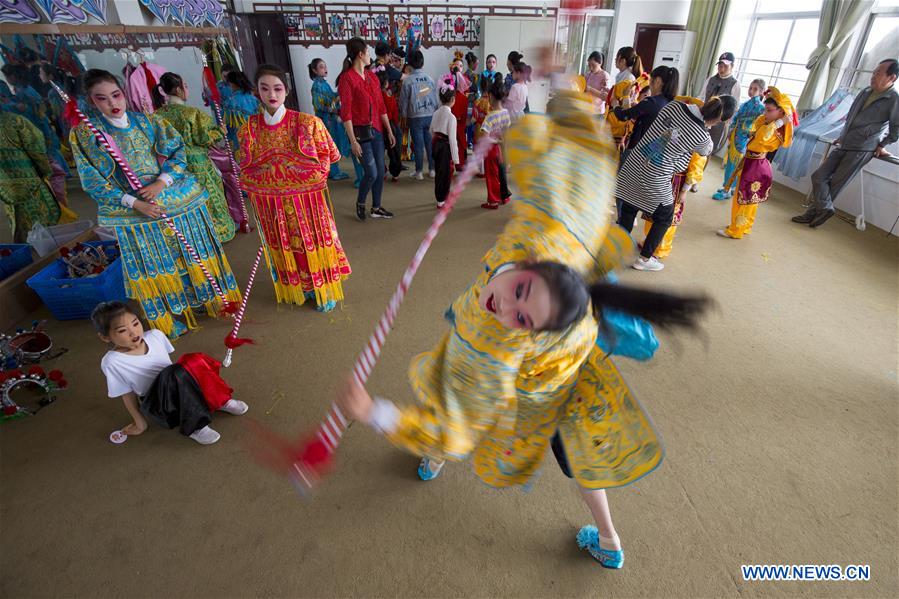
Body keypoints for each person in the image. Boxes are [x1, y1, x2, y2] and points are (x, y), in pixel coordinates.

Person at [333, 90, 712, 570]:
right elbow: (570, 181)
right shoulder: (542, 236)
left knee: (487, 401)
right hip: (555, 345)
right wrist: (516, 123)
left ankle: (607, 537)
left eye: (522, 316)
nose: (503, 304)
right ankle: (610, 539)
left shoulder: (496, 345)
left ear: (532, 331)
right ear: (537, 264)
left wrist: (375, 411)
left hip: (545, 383)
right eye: (520, 291)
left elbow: (459, 429)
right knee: (487, 390)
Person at [70, 69, 241, 338]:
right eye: (102, 99)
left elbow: (177, 151)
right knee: (154, 262)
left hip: (174, 197)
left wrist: (162, 182)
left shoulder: (148, 121)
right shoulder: (86, 134)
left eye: (116, 95)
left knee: (193, 252)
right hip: (133, 209)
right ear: (92, 102)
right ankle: (168, 319)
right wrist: (133, 203)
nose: (113, 104)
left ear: (124, 94)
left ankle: (208, 300)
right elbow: (92, 180)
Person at [239, 64, 351, 312]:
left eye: (277, 88)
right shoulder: (250, 128)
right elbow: (246, 168)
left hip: (306, 202)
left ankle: (322, 289)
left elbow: (330, 155)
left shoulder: (307, 123)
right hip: (273, 204)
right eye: (265, 88)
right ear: (257, 92)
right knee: (284, 242)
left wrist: (308, 178)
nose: (272, 94)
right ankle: (299, 287)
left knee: (312, 240)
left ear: (286, 91)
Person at [93, 301, 248, 445]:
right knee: (175, 372)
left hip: (177, 384)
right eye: (122, 331)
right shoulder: (112, 361)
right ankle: (194, 426)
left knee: (193, 360)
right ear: (105, 337)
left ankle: (220, 401)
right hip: (159, 403)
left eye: (135, 323)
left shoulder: (155, 335)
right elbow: (126, 394)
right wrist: (140, 422)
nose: (134, 333)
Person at [616, 95, 737, 271]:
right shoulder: (703, 138)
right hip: (656, 175)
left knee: (629, 206)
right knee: (665, 216)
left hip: (634, 165)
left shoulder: (674, 106)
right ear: (721, 120)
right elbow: (706, 150)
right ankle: (644, 260)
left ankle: (617, 247)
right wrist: (706, 126)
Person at [792, 58, 899, 228]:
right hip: (845, 142)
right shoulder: (865, 91)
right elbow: (851, 117)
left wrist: (882, 145)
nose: (873, 76)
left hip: (863, 148)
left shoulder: (894, 99)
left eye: (878, 73)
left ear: (891, 77)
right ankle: (825, 208)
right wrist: (842, 135)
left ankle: (812, 215)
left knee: (835, 184)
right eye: (874, 72)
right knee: (819, 176)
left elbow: (896, 128)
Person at [154, 72, 236, 243]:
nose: (187, 88)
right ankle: (219, 232)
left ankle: (195, 235)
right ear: (178, 89)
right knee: (211, 196)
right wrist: (220, 131)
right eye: (185, 85)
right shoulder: (191, 114)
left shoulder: (156, 115)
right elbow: (204, 138)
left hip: (171, 166)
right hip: (196, 161)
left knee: (184, 199)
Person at [718, 87, 795, 239]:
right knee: (750, 199)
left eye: (769, 110)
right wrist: (774, 121)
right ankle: (743, 225)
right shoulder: (769, 124)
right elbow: (757, 124)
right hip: (755, 163)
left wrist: (777, 123)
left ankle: (736, 230)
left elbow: (759, 139)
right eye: (765, 110)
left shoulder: (775, 130)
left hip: (755, 166)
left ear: (780, 112)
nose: (764, 113)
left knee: (744, 199)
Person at [339, 38, 396, 221]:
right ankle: (361, 201)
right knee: (371, 172)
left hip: (377, 131)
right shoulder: (347, 79)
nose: (370, 55)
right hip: (359, 134)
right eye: (368, 52)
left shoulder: (372, 77)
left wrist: (389, 130)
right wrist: (353, 141)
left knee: (380, 171)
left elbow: (381, 107)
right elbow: (345, 113)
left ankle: (376, 207)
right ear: (360, 55)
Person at [2, 63, 69, 206]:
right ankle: (62, 178)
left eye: (7, 76)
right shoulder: (25, 90)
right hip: (41, 127)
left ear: (13, 76)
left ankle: (60, 181)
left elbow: (30, 112)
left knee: (49, 157)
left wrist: (12, 105)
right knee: (51, 155)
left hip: (37, 128)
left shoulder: (24, 93)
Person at [0, 109, 65, 241]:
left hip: (6, 189)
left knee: (18, 223)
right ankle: (48, 255)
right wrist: (45, 170)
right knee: (42, 223)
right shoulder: (15, 121)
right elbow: (36, 149)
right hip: (31, 182)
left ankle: (31, 254)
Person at [713, 78, 766, 200]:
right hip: (736, 136)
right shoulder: (745, 104)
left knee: (734, 165)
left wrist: (749, 134)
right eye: (750, 88)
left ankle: (727, 189)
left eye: (755, 89)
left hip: (744, 140)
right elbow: (736, 118)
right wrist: (731, 130)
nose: (751, 91)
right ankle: (729, 187)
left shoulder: (761, 108)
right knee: (731, 165)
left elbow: (760, 126)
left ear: (761, 92)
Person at [612, 66, 678, 160]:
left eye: (651, 80)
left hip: (638, 152)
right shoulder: (671, 104)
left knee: (624, 174)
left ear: (658, 81)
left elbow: (623, 115)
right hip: (655, 153)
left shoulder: (651, 102)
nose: (649, 85)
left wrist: (615, 104)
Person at [309, 58, 351, 181]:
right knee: (329, 145)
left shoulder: (324, 84)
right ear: (314, 70)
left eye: (325, 66)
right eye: (321, 67)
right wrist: (333, 108)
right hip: (325, 120)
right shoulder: (316, 86)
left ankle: (334, 170)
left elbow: (331, 97)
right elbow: (318, 105)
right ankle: (333, 172)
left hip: (330, 119)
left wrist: (339, 94)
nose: (325, 69)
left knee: (331, 145)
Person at [399, 49, 439, 181]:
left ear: (409, 65)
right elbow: (434, 99)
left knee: (418, 145)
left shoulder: (407, 81)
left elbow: (403, 102)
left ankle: (419, 171)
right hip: (430, 115)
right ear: (423, 64)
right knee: (430, 143)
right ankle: (433, 169)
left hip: (415, 116)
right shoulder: (430, 79)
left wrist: (403, 116)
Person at [480, 79, 512, 210]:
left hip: (492, 150)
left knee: (492, 175)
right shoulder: (506, 113)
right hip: (503, 148)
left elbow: (484, 137)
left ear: (491, 97)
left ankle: (493, 201)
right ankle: (505, 197)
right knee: (501, 173)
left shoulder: (489, 117)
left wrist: (495, 140)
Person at [701, 52, 741, 155]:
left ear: (732, 66)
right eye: (720, 65)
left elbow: (735, 107)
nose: (721, 69)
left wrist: (728, 122)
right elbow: (701, 96)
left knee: (710, 147)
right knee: (697, 141)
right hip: (703, 115)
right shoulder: (711, 79)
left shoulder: (735, 84)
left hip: (719, 121)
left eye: (725, 66)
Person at [430, 74, 460, 209]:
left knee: (439, 172)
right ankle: (442, 199)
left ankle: (439, 198)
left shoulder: (436, 113)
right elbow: (453, 140)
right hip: (445, 147)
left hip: (436, 143)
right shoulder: (451, 117)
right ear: (453, 99)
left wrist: (434, 142)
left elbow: (431, 130)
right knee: (446, 174)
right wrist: (456, 159)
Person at [605, 71, 650, 152]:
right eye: (631, 94)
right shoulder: (613, 114)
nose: (633, 97)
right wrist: (626, 100)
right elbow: (624, 118)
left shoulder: (636, 111)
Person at [222, 70, 260, 153]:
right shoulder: (254, 100)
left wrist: (228, 141)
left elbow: (225, 126)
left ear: (232, 84)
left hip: (240, 140)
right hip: (257, 137)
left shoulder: (230, 103)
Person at [377, 67, 403, 182]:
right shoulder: (389, 95)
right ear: (386, 83)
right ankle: (395, 174)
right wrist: (396, 125)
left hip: (378, 126)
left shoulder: (375, 96)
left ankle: (382, 171)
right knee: (394, 150)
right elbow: (394, 112)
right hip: (391, 125)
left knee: (379, 151)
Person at [449, 54, 470, 169]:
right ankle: (453, 162)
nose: (458, 68)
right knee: (452, 138)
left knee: (461, 137)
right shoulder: (447, 79)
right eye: (456, 65)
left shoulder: (465, 81)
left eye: (461, 66)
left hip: (462, 108)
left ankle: (460, 162)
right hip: (452, 108)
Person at [584, 51, 611, 115]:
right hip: (587, 109)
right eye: (589, 65)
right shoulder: (588, 74)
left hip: (597, 112)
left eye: (593, 65)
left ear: (600, 63)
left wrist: (590, 89)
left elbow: (606, 97)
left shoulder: (605, 75)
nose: (590, 68)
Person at [464, 51, 480, 148]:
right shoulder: (473, 76)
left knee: (469, 121)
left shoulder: (465, 74)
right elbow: (475, 90)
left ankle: (469, 140)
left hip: (468, 101)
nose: (477, 66)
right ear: (472, 63)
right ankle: (470, 140)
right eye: (476, 64)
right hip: (472, 101)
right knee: (471, 121)